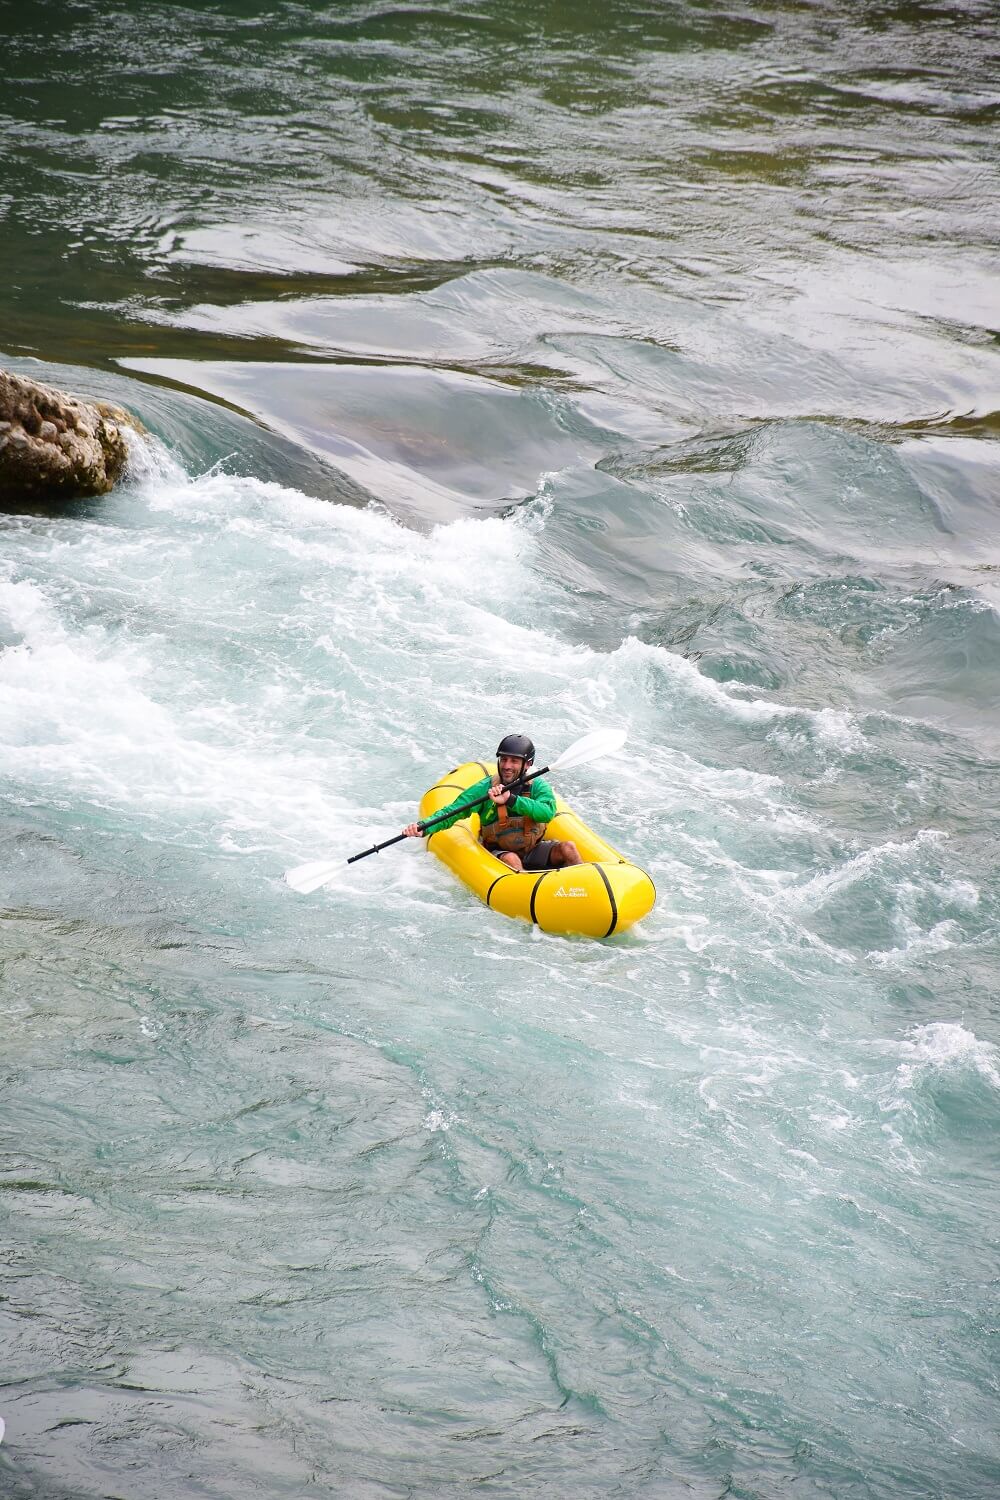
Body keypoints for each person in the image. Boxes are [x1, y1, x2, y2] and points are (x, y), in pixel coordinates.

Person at [403, 734, 582, 873]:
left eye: (514, 761)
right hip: (500, 852)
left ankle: (583, 887)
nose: (507, 765)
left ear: (527, 764)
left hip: (533, 849)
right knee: (512, 859)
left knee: (569, 848)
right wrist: (424, 827)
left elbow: (547, 812)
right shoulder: (484, 788)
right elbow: (454, 811)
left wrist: (511, 800)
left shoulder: (538, 786)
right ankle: (525, 894)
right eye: (503, 759)